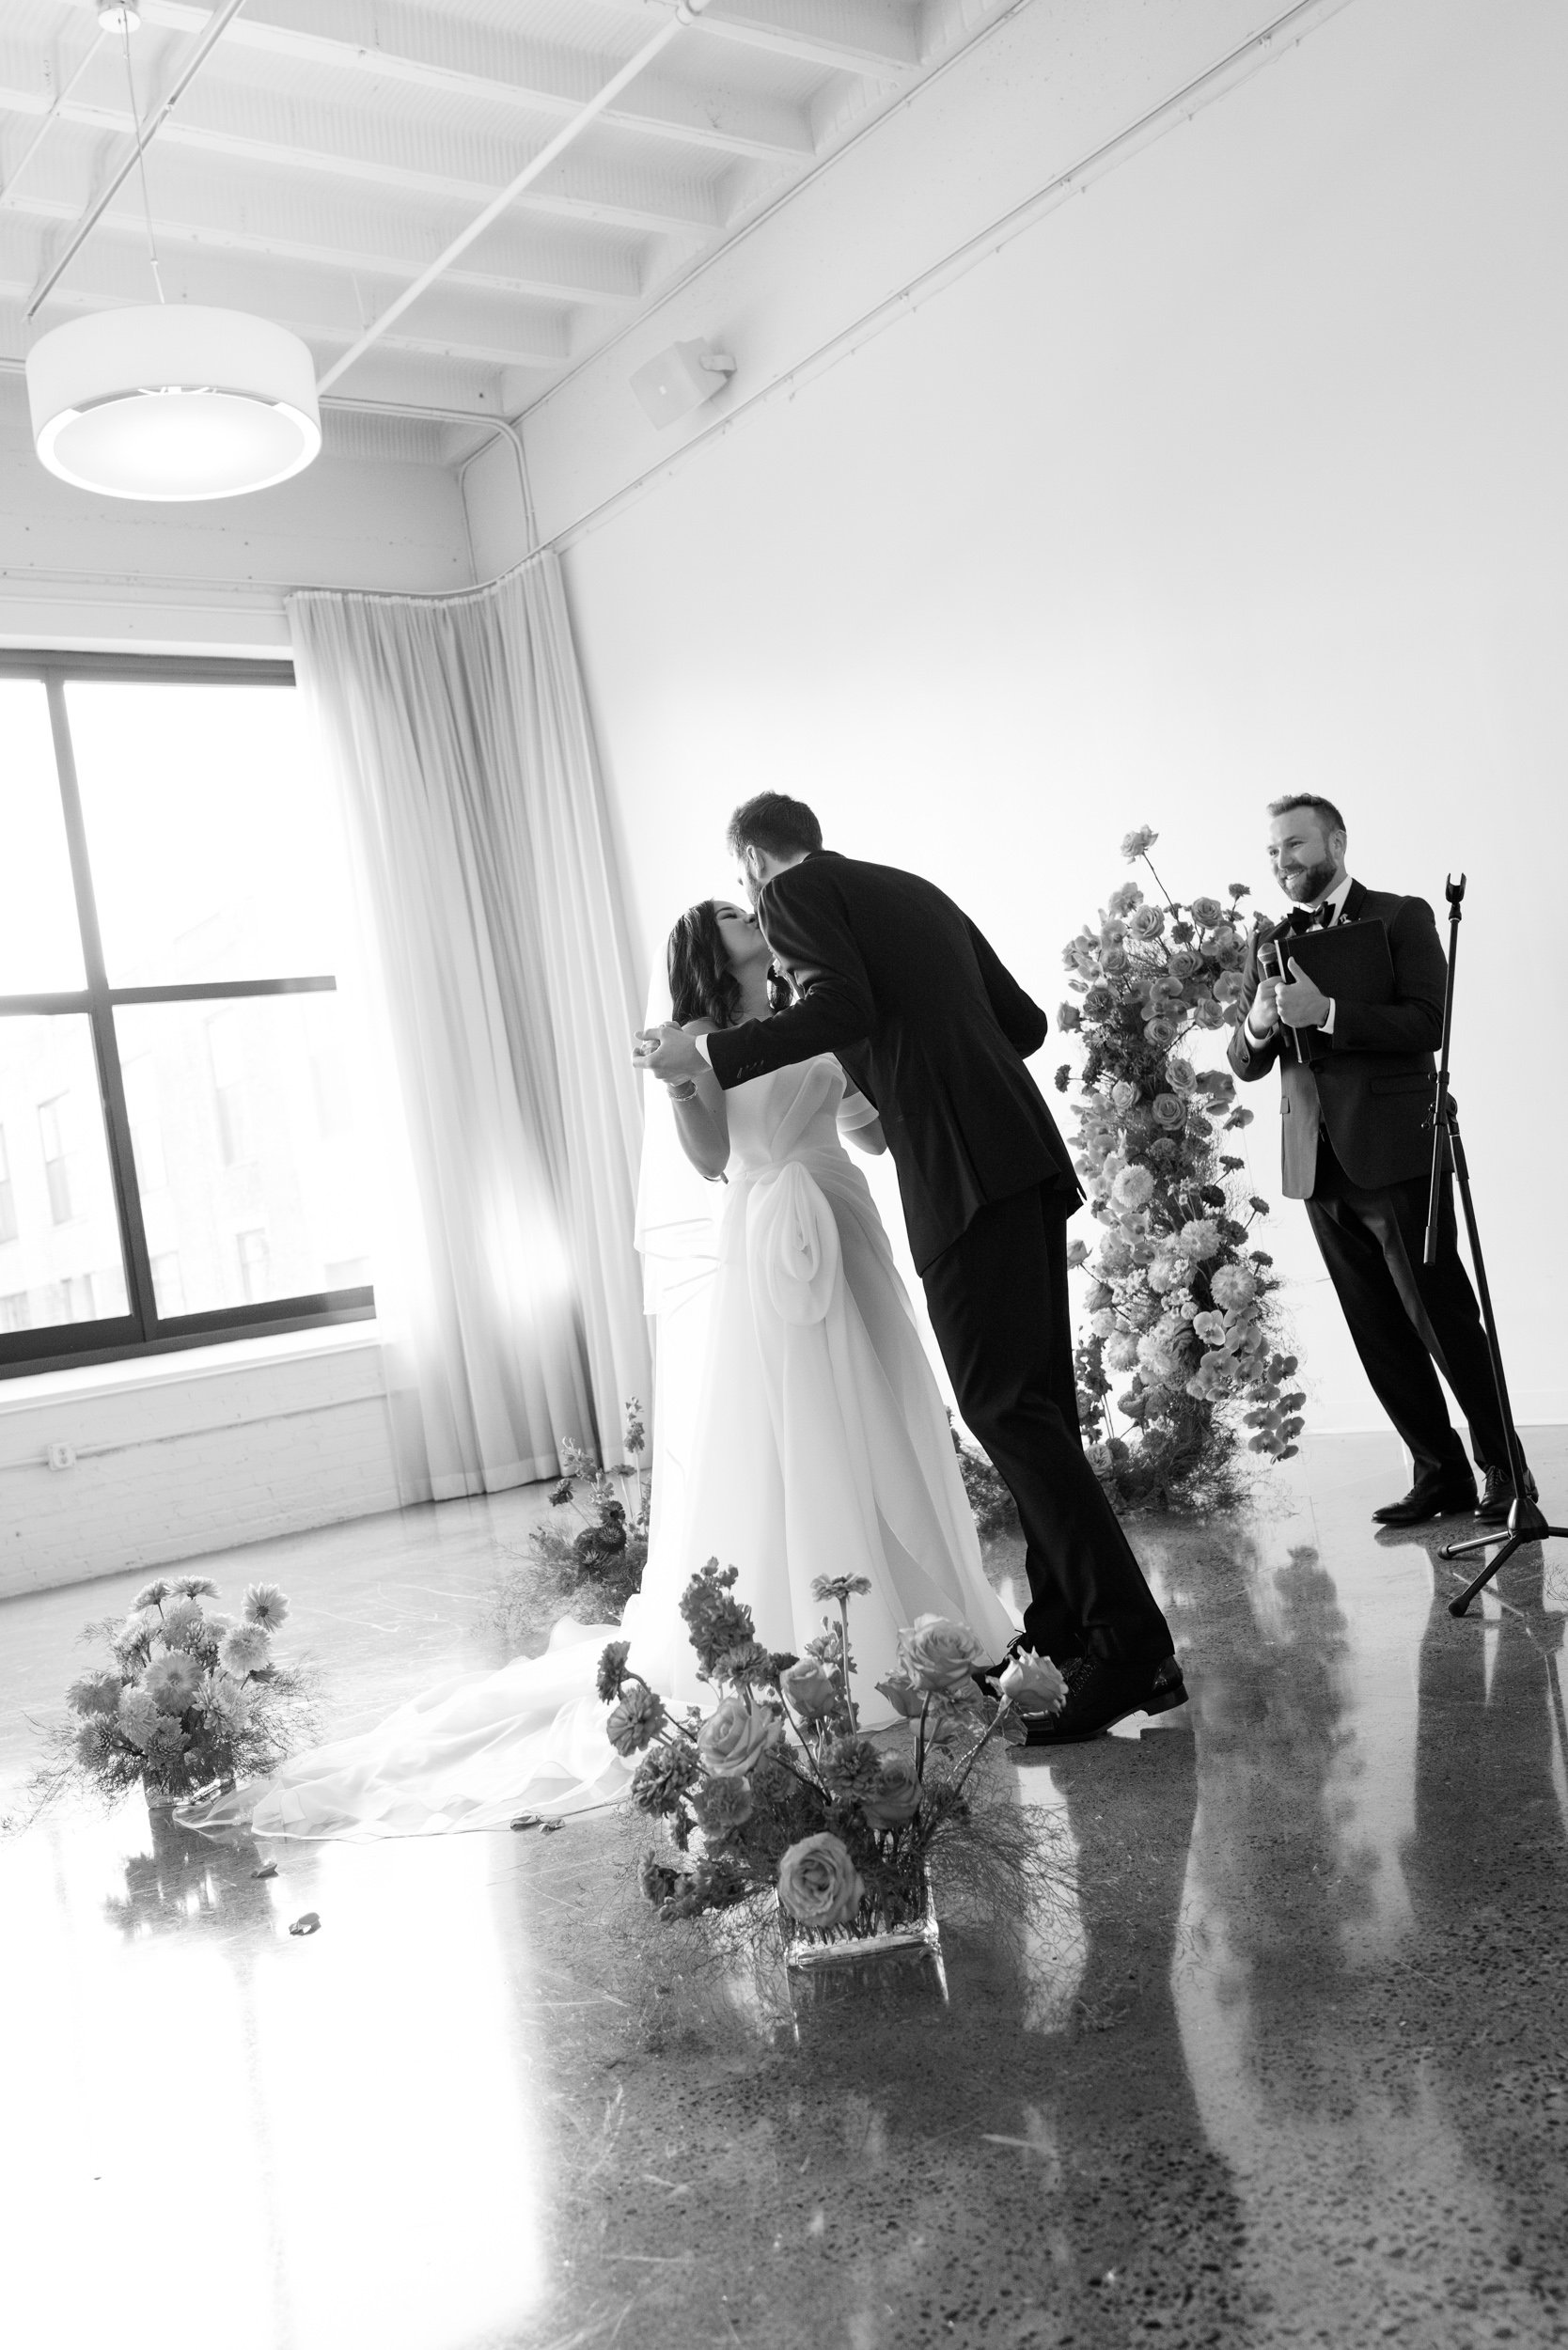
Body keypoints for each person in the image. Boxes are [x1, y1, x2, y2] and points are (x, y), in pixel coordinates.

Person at [180, 896, 1014, 1839]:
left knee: (883, 1412)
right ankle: (826, 1635)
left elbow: (869, 1131)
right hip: (764, 1232)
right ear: (710, 945)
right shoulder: (691, 1037)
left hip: (843, 1218)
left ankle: (921, 1609)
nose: (760, 917)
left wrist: (884, 1075)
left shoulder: (812, 1012)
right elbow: (708, 1160)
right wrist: (679, 1080)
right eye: (740, 912)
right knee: (792, 1430)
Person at [635, 793, 1184, 1744]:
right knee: (1036, 1404)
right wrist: (913, 1056)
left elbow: (845, 1005)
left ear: (755, 860)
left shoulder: (797, 895)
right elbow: (1020, 1022)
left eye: (744, 886)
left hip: (962, 1173)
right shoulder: (911, 891)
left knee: (1007, 1409)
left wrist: (718, 1052)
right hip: (1016, 1155)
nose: (753, 908)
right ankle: (1054, 1630)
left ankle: (1131, 1646)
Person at [1227, 791, 1529, 1527]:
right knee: (1378, 1332)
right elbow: (1244, 1062)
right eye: (1272, 851)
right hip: (1317, 1162)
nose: (1282, 861)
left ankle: (1508, 1474)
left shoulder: (1402, 916)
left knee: (1443, 1318)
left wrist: (1327, 1014)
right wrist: (1261, 1023)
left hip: (1397, 1153)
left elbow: (1429, 1021)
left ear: (1336, 841)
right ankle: (1440, 1476)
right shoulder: (1266, 939)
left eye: (1295, 845)